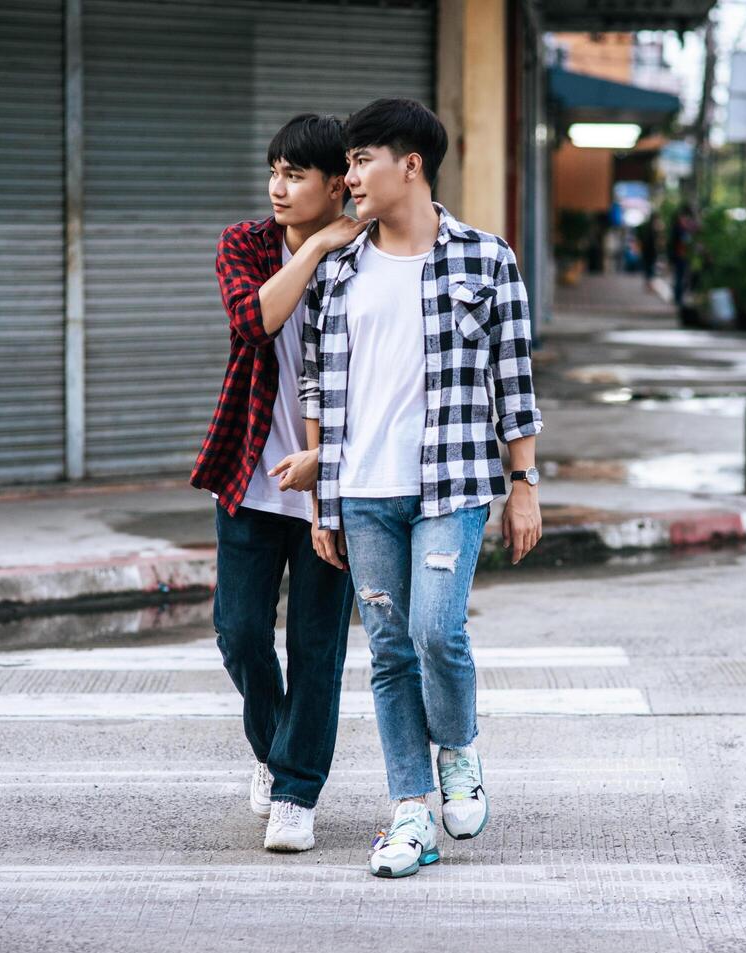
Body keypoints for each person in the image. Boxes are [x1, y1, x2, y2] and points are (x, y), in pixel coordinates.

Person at [298, 98, 544, 879]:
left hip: (453, 483)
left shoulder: (485, 256)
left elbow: (514, 377)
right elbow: (314, 386)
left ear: (411, 165)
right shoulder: (336, 266)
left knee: (438, 634)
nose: (349, 178)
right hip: (362, 490)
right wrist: (321, 499)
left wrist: (525, 483)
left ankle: (459, 749)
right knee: (389, 654)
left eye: (362, 160)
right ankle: (409, 814)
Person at [189, 113, 364, 854]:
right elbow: (253, 319)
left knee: (317, 646)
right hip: (253, 479)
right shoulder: (247, 243)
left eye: (295, 175)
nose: (277, 187)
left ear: (335, 184)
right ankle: (272, 750)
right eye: (273, 171)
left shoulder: (371, 258)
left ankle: (295, 791)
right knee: (239, 636)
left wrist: (339, 246)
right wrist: (319, 244)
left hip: (336, 483)